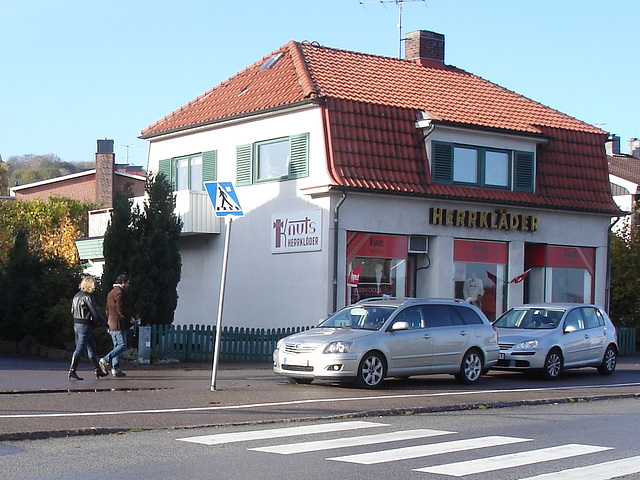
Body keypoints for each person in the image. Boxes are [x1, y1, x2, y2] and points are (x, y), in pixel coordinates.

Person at [68, 276, 109, 380]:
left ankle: (97, 370)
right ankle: (72, 370)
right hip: (85, 325)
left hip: (77, 324)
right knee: (80, 348)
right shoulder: (88, 297)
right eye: (93, 284)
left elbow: (72, 310)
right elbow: (95, 312)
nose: (94, 287)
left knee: (91, 347)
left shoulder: (76, 295)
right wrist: (105, 324)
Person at [99, 274, 134, 377]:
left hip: (111, 323)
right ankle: (105, 360)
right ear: (122, 283)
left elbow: (107, 309)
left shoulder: (110, 293)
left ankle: (116, 369)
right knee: (122, 346)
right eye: (127, 282)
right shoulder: (119, 293)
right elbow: (120, 310)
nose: (128, 285)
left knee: (116, 346)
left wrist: (108, 323)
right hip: (119, 324)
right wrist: (130, 318)